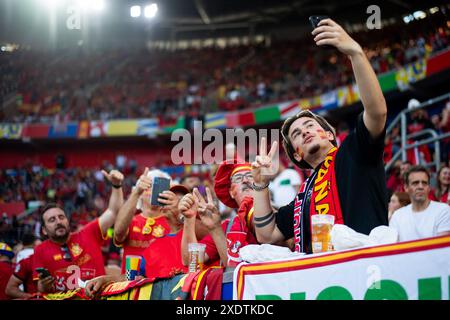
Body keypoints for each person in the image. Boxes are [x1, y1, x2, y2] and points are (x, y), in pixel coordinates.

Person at [251, 18, 388, 254]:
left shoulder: (354, 152)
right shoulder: (302, 197)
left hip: (369, 271)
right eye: (296, 133)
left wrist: (356, 54)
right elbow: (267, 235)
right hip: (326, 281)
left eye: (309, 125)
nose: (304, 131)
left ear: (329, 134)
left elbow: (377, 112)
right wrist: (260, 185)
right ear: (297, 153)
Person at [32, 169, 124, 293]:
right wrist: (44, 285)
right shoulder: (40, 250)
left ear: (67, 220)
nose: (58, 222)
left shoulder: (89, 232)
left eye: (61, 217)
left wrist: (116, 186)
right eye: (52, 220)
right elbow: (41, 288)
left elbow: (113, 211)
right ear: (43, 230)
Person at [180, 161, 258, 268]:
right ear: (231, 192)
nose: (245, 180)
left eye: (250, 176)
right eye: (238, 178)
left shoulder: (278, 215)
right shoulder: (226, 227)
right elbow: (190, 260)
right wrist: (189, 218)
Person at [113, 168, 173, 273]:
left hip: (159, 284)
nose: (153, 192)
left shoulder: (173, 223)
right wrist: (136, 192)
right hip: (130, 284)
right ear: (141, 193)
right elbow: (118, 233)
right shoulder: (130, 221)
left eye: (158, 188)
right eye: (149, 187)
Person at [389, 166, 450, 242]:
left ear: (429, 188)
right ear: (406, 188)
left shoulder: (443, 210)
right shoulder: (397, 216)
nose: (420, 187)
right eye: (415, 183)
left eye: (424, 183)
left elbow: (442, 247)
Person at [5, 233, 41, 299]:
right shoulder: (32, 254)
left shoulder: (20, 253)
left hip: (20, 289)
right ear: (34, 242)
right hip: (29, 291)